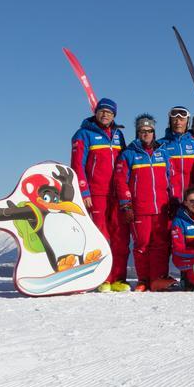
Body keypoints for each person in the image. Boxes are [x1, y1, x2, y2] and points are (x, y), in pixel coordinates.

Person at [70, 97, 130, 291]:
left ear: (114, 116)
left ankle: (118, 278)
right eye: (102, 111)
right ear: (96, 112)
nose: (105, 114)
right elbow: (77, 165)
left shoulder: (118, 135)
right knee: (101, 235)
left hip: (118, 194)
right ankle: (102, 278)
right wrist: (83, 191)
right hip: (97, 192)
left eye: (109, 112)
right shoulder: (83, 134)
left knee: (120, 235)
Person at [114, 114, 173, 292]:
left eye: (149, 131)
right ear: (137, 133)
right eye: (142, 131)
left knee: (161, 245)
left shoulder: (162, 152)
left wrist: (173, 201)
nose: (146, 134)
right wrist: (126, 204)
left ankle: (158, 278)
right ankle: (143, 280)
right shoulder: (129, 154)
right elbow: (120, 180)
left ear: (154, 132)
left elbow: (171, 179)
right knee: (142, 245)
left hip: (161, 208)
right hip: (140, 208)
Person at [160, 105, 194, 209]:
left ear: (187, 122)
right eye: (175, 119)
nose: (178, 122)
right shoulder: (160, 145)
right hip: (170, 199)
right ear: (170, 121)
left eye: (182, 119)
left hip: (191, 199)